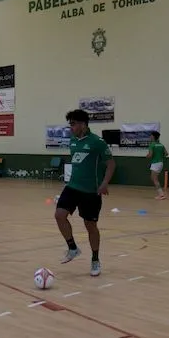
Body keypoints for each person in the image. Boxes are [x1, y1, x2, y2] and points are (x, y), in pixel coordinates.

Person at [54, 109, 115, 277]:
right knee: (59, 215)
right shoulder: (73, 141)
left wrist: (104, 183)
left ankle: (95, 259)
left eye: (73, 124)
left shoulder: (97, 142)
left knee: (90, 226)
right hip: (73, 186)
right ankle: (72, 248)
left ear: (83, 124)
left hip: (91, 191)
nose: (71, 128)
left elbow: (111, 164)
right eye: (70, 124)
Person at [145, 130, 168, 199]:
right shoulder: (161, 145)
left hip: (155, 163)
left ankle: (161, 195)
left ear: (153, 137)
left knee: (154, 179)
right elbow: (166, 154)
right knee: (154, 178)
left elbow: (150, 155)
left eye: (151, 136)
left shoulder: (152, 145)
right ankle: (161, 194)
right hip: (160, 163)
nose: (150, 137)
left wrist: (147, 156)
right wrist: (159, 156)